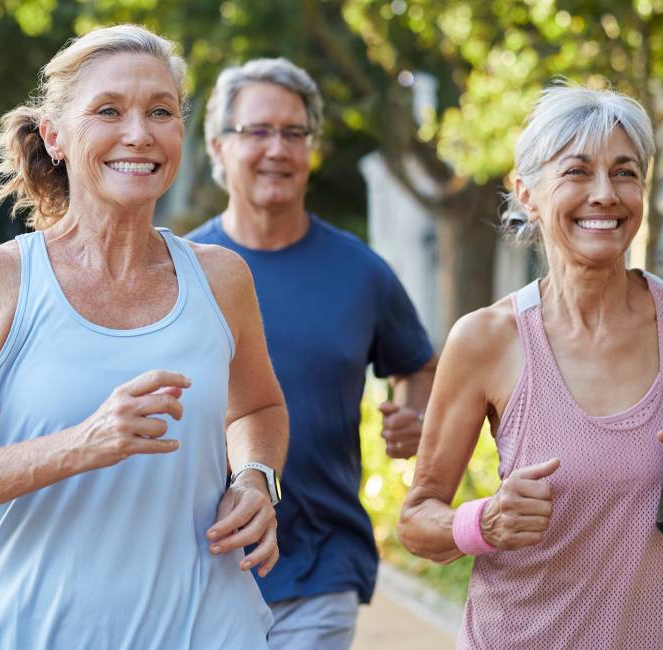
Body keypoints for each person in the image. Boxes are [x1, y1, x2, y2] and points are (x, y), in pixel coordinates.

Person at [0, 24, 285, 649]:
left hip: (209, 630)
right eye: (108, 111)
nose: (139, 134)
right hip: (34, 631)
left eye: (160, 111)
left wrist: (257, 476)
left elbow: (259, 406)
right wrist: (81, 444)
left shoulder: (221, 277)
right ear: (55, 135)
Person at [397, 84, 663, 649]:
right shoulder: (487, 340)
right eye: (578, 172)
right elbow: (417, 523)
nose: (606, 194)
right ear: (527, 194)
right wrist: (484, 523)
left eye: (625, 172)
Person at [186, 58, 437, 649]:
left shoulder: (361, 272)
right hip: (197, 563)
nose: (278, 149)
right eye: (258, 131)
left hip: (320, 566)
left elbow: (416, 364)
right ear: (218, 148)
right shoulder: (179, 270)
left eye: (294, 133)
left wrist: (414, 417)